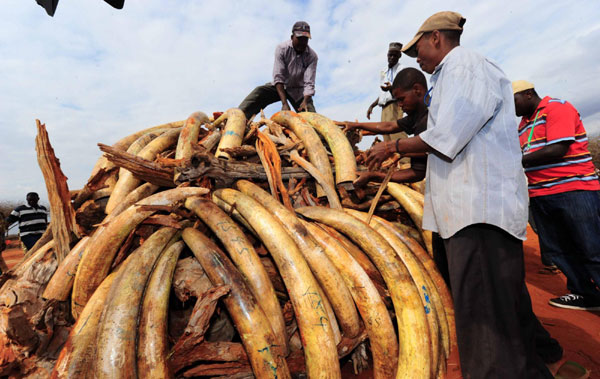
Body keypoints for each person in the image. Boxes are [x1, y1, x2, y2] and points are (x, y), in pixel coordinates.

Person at [364, 11, 554, 378]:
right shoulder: (451, 75)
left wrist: (393, 148)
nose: (415, 57)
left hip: (477, 213)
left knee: (484, 322)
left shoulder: (464, 67)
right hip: (468, 213)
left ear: (436, 38)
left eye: (417, 47)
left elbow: (447, 136)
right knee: (500, 312)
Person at [513, 80, 600, 311]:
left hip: (573, 190)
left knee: (591, 247)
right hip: (541, 193)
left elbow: (557, 149)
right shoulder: (523, 124)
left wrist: (514, 161)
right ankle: (586, 294)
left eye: (514, 100)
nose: (512, 108)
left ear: (528, 94)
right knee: (559, 250)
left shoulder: (557, 108)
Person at [238, 21, 317, 120]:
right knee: (259, 92)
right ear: (292, 37)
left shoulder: (312, 56)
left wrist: (305, 101)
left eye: (305, 39)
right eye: (299, 38)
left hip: (299, 91)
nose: (302, 42)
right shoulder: (282, 49)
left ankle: (318, 134)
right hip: (281, 86)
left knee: (312, 116)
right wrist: (284, 103)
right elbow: (278, 77)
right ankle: (238, 118)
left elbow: (309, 83)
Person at [365, 42, 407, 142]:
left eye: (395, 55)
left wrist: (391, 88)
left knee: (396, 134)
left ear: (399, 56)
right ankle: (392, 157)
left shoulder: (402, 70)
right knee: (386, 135)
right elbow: (383, 93)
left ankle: (405, 157)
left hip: (395, 105)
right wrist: (372, 105)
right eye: (390, 55)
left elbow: (402, 89)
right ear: (387, 55)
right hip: (384, 107)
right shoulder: (384, 71)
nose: (392, 57)